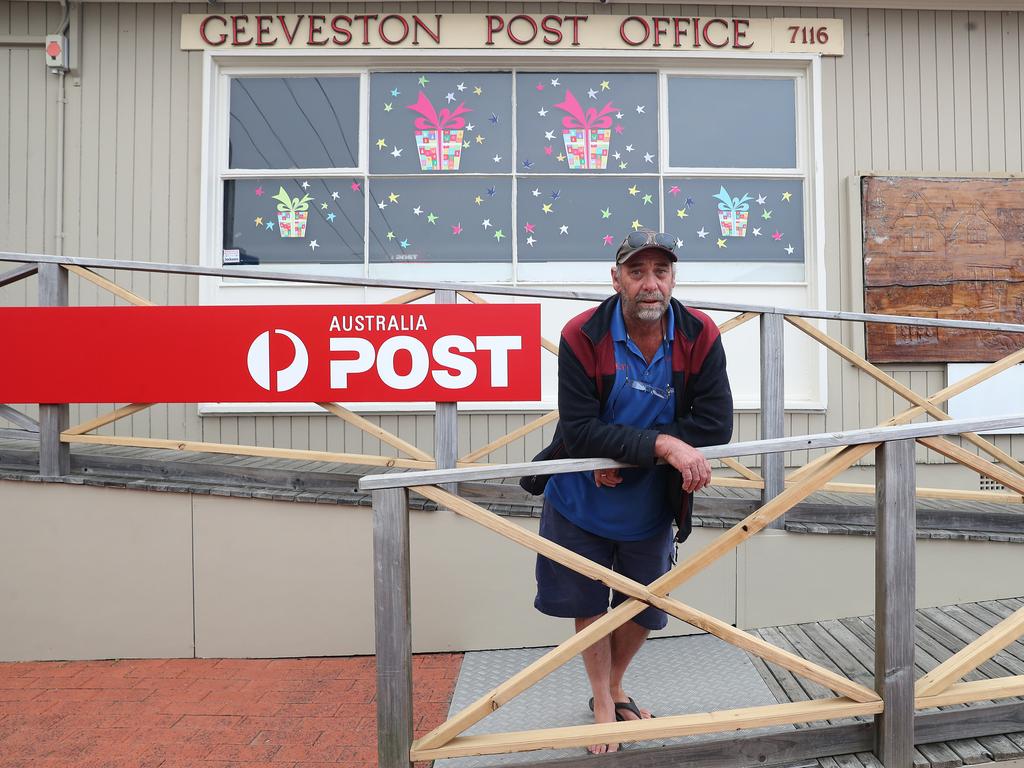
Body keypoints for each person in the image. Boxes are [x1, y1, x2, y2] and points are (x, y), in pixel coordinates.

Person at [531, 229, 733, 753]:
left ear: (673, 278)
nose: (650, 284)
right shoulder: (581, 334)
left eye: (660, 272)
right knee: (588, 599)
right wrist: (659, 443)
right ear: (615, 277)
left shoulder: (701, 334)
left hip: (649, 498)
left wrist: (637, 450)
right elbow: (579, 429)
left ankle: (617, 681)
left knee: (644, 604)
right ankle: (602, 698)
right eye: (637, 272)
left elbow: (715, 424)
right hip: (580, 496)